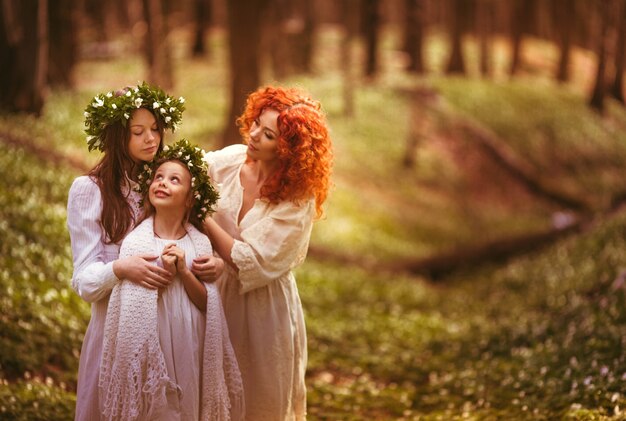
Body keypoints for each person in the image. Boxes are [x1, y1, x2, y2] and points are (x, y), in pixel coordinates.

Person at [67, 83, 219, 420]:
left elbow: (191, 233)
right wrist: (121, 269)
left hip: (173, 328)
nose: (151, 138)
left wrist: (214, 263)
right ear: (117, 136)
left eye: (155, 129)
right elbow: (84, 281)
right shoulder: (90, 191)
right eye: (138, 132)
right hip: (115, 328)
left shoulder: (163, 182)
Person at [196, 85, 333, 420]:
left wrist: (202, 218)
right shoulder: (229, 161)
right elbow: (182, 172)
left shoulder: (298, 199)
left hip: (262, 311)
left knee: (259, 397)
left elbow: (252, 263)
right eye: (256, 123)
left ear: (288, 148)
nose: (254, 135)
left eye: (268, 134)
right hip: (207, 293)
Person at [98, 139, 243, 421]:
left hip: (190, 340)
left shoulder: (199, 243)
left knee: (188, 400)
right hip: (155, 337)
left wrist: (184, 271)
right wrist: (163, 271)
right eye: (158, 177)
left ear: (190, 198)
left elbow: (207, 303)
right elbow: (133, 306)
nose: (162, 183)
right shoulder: (137, 242)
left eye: (174, 180)